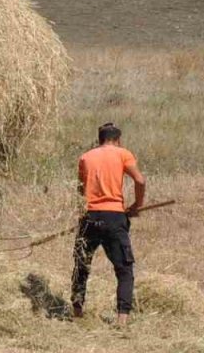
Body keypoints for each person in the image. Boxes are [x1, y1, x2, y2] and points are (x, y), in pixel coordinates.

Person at [71, 122, 146, 326]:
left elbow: (80, 190)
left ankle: (77, 311)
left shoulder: (85, 157)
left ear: (99, 139)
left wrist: (82, 215)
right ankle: (122, 318)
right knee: (124, 269)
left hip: (90, 217)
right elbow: (140, 180)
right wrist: (137, 206)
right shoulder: (123, 154)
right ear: (118, 139)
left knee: (81, 264)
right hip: (114, 217)